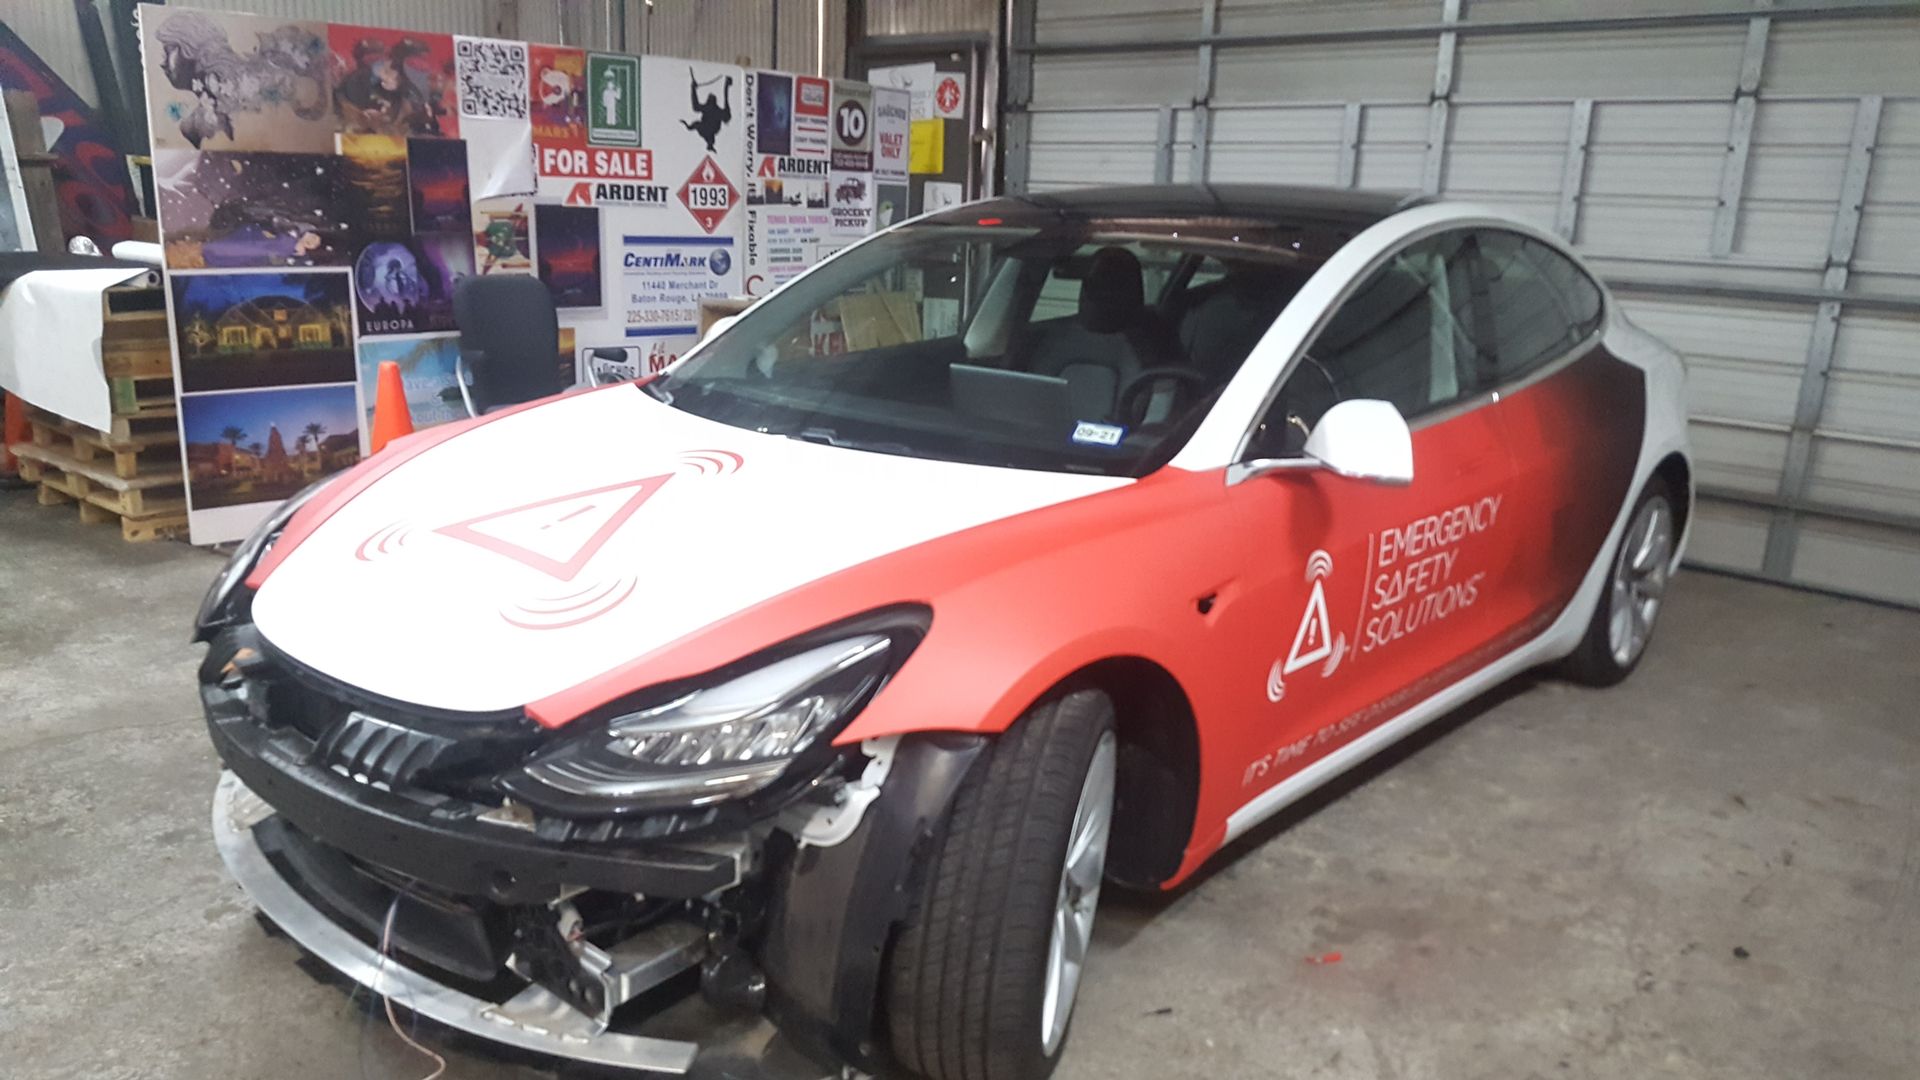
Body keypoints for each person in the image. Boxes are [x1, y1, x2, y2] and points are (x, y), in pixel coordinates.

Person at [682, 68, 733, 152]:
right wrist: (726, 85)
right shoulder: (716, 111)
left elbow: (695, 106)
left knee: (699, 124)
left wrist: (693, 89)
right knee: (699, 124)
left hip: (709, 128)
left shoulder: (712, 110)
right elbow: (726, 101)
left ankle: (710, 144)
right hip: (709, 128)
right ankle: (710, 144)